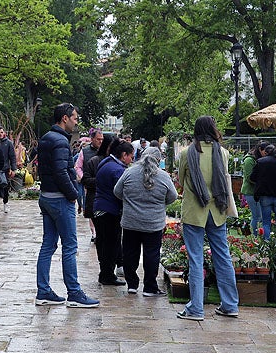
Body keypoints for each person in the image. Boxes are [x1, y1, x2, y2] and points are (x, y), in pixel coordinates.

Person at [34, 103, 99, 308]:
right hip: (60, 199)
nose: (76, 122)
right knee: (70, 246)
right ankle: (74, 293)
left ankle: (43, 291)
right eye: (74, 118)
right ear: (64, 118)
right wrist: (72, 195)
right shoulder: (61, 141)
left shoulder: (46, 138)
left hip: (46, 196)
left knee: (48, 244)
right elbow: (61, 172)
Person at [176, 116, 240, 321]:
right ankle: (230, 305)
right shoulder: (223, 153)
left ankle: (196, 308)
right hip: (218, 211)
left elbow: (180, 179)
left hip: (195, 211)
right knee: (223, 257)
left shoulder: (186, 153)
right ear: (213, 129)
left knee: (195, 259)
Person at [114, 146, 178, 296]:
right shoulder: (163, 176)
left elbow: (117, 191)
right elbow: (172, 196)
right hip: (153, 223)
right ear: (158, 160)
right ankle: (150, 287)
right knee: (152, 255)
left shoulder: (129, 172)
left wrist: (130, 201)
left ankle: (132, 284)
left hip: (131, 221)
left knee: (130, 253)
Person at [93, 140, 132, 286]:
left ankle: (105, 273)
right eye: (130, 156)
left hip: (100, 208)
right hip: (110, 210)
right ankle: (107, 276)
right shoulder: (117, 170)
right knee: (111, 245)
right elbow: (122, 192)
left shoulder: (106, 162)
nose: (132, 160)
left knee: (104, 244)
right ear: (123, 155)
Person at [81, 134, 113, 244]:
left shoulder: (116, 162)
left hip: (111, 204)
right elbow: (85, 180)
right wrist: (102, 180)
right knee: (102, 236)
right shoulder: (93, 160)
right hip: (96, 200)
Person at [239, 143, 266, 235]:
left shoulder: (259, 160)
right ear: (259, 149)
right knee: (257, 216)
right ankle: (255, 236)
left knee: (261, 216)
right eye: (265, 152)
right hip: (251, 192)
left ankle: (259, 235)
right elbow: (249, 177)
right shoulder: (249, 160)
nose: (266, 154)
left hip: (258, 191)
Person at [0, 126, 17, 209]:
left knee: (5, 186)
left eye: (1, 132)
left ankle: (5, 203)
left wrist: (14, 169)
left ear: (4, 133)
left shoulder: (8, 143)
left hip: (5, 168)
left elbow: (12, 157)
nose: (0, 134)